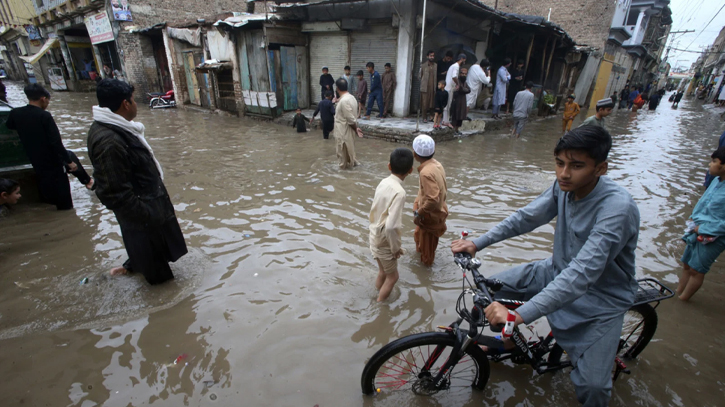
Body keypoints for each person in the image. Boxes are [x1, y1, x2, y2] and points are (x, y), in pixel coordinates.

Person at [451, 126, 640, 407]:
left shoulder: (617, 209)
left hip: (601, 299)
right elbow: (527, 217)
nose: (564, 173)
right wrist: (479, 242)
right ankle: (511, 344)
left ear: (601, 168)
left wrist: (520, 315)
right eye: (559, 163)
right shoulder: (563, 187)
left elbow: (583, 274)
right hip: (555, 270)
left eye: (576, 166)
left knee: (593, 387)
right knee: (487, 295)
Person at [87, 79, 187, 284]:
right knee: (161, 280)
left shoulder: (118, 128)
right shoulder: (109, 141)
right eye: (133, 100)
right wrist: (146, 215)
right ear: (125, 104)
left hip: (148, 207)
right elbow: (112, 192)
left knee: (155, 251)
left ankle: (131, 266)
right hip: (143, 215)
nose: (135, 105)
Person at [6, 84, 94, 210]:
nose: (47, 103)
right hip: (52, 160)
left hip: (34, 157)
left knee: (68, 156)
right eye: (48, 100)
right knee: (64, 199)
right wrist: (69, 163)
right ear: (43, 99)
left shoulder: (16, 113)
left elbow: (10, 125)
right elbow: (56, 142)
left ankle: (87, 181)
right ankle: (83, 188)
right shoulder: (44, 116)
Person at [678, 147, 725, 301]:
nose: (710, 165)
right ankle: (677, 294)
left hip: (713, 235)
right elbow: (703, 202)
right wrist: (693, 219)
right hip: (697, 229)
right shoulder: (717, 181)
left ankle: (683, 300)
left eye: (714, 162)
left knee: (697, 270)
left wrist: (704, 228)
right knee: (686, 264)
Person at [369, 147, 414, 302]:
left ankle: (376, 293)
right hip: (384, 240)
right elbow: (392, 226)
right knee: (393, 277)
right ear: (411, 170)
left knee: (383, 272)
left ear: (389, 166)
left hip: (374, 233)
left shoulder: (384, 182)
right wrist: (395, 249)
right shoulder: (399, 192)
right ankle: (379, 306)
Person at [412, 134, 447, 266]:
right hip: (431, 212)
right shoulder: (436, 164)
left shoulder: (425, 172)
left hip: (430, 216)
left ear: (415, 154)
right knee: (418, 239)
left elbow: (432, 199)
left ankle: (425, 274)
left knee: (427, 255)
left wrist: (418, 213)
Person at [333, 78, 364, 169]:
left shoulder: (343, 101)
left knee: (343, 159)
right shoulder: (352, 98)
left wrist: (356, 129)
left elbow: (350, 119)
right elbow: (347, 115)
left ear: (338, 88)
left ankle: (343, 179)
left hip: (343, 132)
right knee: (350, 155)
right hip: (348, 131)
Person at [442, 54, 466, 127]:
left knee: (447, 105)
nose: (464, 62)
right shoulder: (456, 66)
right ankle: (446, 121)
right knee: (447, 105)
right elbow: (454, 77)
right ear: (462, 59)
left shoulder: (454, 66)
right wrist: (458, 84)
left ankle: (445, 120)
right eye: (464, 60)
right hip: (449, 88)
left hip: (449, 87)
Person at [449, 68, 471, 136]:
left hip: (463, 101)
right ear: (460, 74)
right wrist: (463, 89)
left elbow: (469, 90)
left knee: (460, 117)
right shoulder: (457, 81)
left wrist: (463, 89)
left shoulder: (465, 82)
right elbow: (461, 89)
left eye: (465, 74)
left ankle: (457, 130)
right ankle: (453, 130)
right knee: (455, 116)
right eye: (462, 73)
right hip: (456, 101)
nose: (463, 75)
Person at [420, 50, 437, 123]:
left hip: (433, 87)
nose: (432, 57)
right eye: (431, 56)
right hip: (425, 88)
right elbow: (419, 76)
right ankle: (424, 117)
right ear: (427, 56)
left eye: (433, 56)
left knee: (432, 103)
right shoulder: (423, 65)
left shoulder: (435, 65)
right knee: (425, 103)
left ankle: (431, 116)